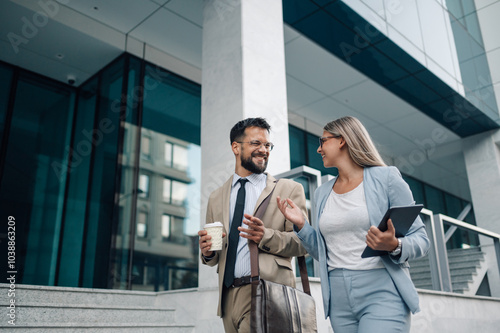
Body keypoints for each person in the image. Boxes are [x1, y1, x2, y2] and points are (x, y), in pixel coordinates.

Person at [276, 116, 430, 333]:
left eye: (323, 141)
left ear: (342, 141)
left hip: (382, 292)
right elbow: (324, 252)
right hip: (339, 299)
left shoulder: (386, 178)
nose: (318, 149)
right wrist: (302, 225)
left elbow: (422, 240)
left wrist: (394, 244)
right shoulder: (322, 193)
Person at [198, 117, 308, 333]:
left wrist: (265, 236)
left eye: (267, 145)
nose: (264, 150)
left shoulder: (289, 190)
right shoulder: (216, 197)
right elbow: (215, 255)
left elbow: (304, 243)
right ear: (236, 147)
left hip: (268, 292)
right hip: (228, 298)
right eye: (256, 143)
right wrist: (209, 252)